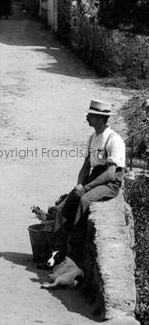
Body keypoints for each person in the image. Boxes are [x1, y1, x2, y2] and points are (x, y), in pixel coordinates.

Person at [51, 99, 125, 256]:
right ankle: (56, 251)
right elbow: (86, 165)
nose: (87, 118)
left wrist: (86, 188)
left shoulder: (114, 139)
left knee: (85, 200)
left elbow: (110, 173)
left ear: (100, 118)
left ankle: (75, 250)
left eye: (90, 115)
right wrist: (79, 184)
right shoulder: (92, 137)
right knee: (61, 208)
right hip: (93, 177)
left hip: (109, 183)